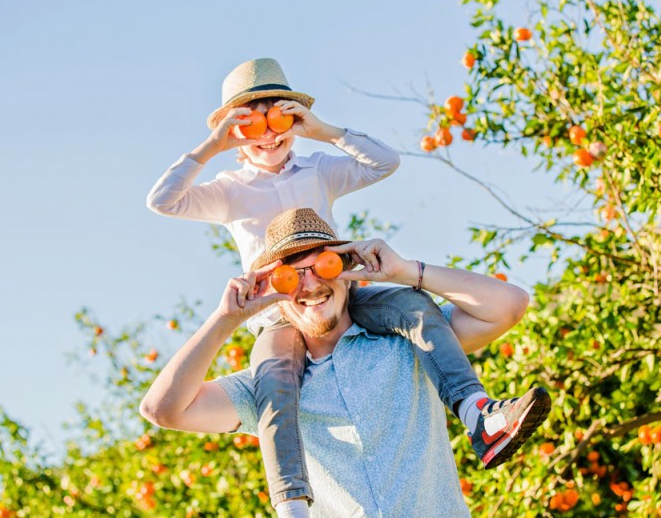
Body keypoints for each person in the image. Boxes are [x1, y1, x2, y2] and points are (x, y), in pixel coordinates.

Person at [145, 59, 549, 516]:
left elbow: (385, 163)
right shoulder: (228, 188)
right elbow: (163, 201)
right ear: (235, 132)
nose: (268, 133)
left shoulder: (317, 169)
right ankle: (292, 504)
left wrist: (324, 131)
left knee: (416, 306)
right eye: (251, 123)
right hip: (273, 315)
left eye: (278, 116)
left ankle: (479, 413)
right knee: (276, 394)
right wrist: (213, 146)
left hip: (351, 291)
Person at [140, 208, 551, 517]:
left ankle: (479, 414)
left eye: (323, 265)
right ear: (275, 291)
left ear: (345, 269)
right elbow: (162, 409)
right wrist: (225, 319)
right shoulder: (267, 388)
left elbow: (509, 304)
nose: (311, 284)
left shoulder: (408, 341)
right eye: (291, 276)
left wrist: (407, 271)